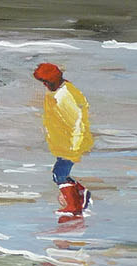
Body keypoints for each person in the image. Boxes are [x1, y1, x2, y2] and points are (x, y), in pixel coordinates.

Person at [32, 62, 93, 216]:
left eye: (46, 82)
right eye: (43, 82)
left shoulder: (65, 96)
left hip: (70, 143)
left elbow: (77, 122)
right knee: (60, 173)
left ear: (54, 80)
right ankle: (81, 194)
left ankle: (74, 206)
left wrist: (75, 144)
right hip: (62, 142)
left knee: (59, 174)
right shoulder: (58, 91)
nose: (45, 85)